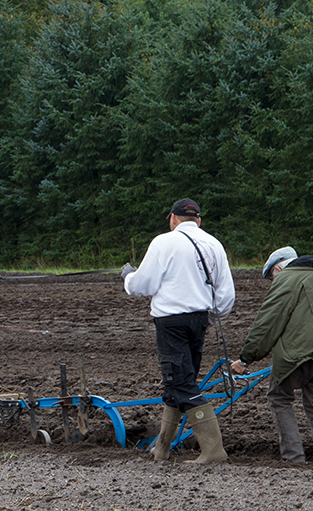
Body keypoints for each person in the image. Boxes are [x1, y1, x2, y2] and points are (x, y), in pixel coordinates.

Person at [121, 198, 235, 463]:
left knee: (181, 384)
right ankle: (161, 448)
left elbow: (143, 285)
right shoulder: (214, 244)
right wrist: (210, 316)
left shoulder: (164, 242)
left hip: (171, 322)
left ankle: (214, 450)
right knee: (180, 384)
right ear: (198, 220)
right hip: (200, 320)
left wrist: (128, 276)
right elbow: (226, 294)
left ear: (173, 219)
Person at [230, 247, 313, 466]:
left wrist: (245, 359)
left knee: (279, 397)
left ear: (277, 268)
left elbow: (268, 323)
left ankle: (293, 460)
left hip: (300, 354)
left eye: (271, 278)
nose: (273, 282)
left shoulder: (287, 278)